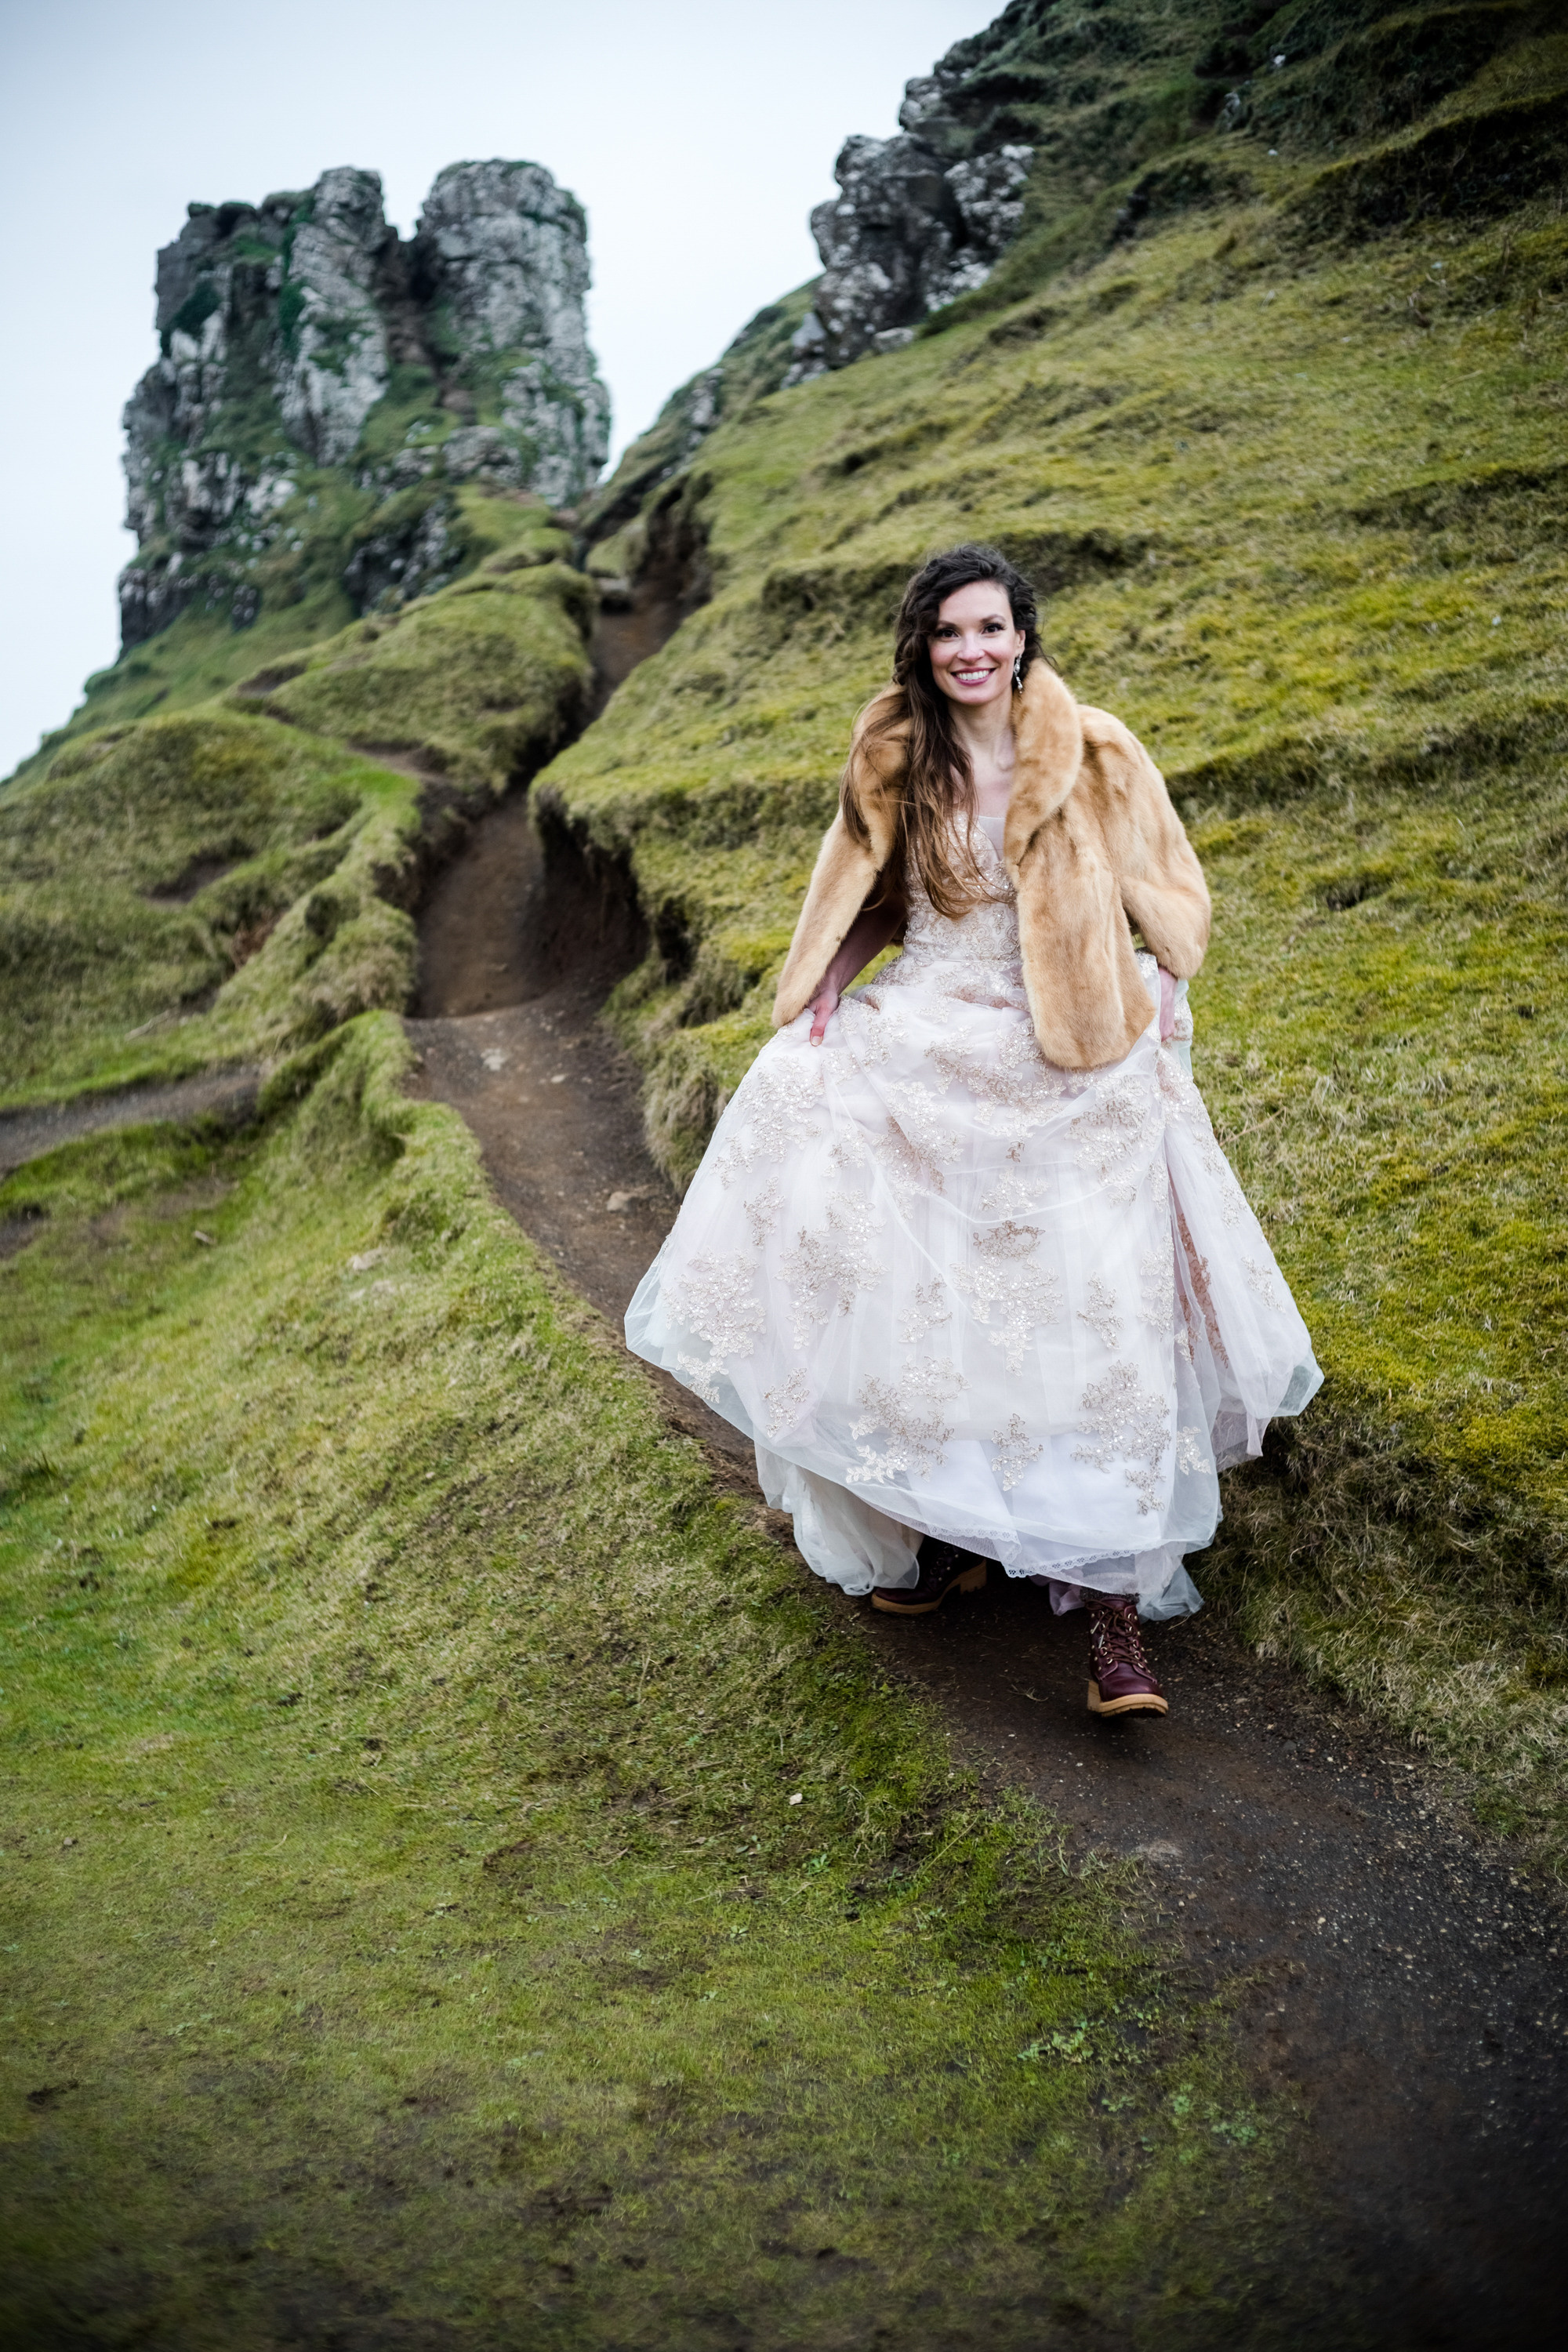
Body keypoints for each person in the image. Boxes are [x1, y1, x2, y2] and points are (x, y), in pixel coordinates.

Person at [626, 544, 1320, 1719]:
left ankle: (1112, 1621)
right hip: (936, 1021)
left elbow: (1171, 887)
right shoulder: (894, 753)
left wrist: (1162, 975)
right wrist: (831, 993)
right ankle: (950, 1521)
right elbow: (877, 899)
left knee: (1087, 1311)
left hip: (1071, 1047)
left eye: (992, 629)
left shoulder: (1097, 748)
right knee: (910, 1269)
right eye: (951, 633)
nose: (973, 651)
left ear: (1022, 637)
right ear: (923, 646)